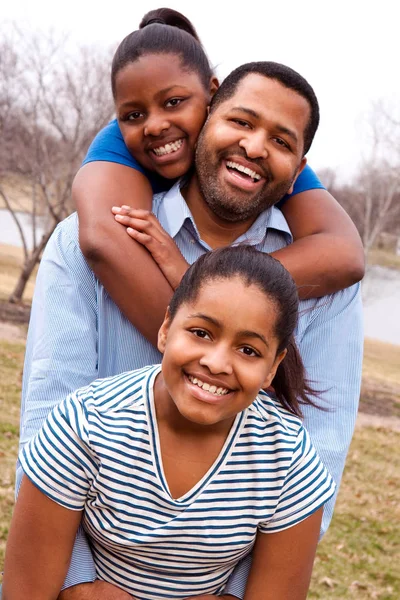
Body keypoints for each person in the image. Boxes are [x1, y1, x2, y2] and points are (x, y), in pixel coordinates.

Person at [17, 52, 363, 600]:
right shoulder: (88, 238)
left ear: (299, 170)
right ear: (205, 117)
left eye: (281, 140)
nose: (253, 147)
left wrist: (234, 594)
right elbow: (45, 430)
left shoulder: (328, 286)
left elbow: (316, 463)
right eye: (242, 121)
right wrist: (83, 585)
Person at [4, 246, 336, 600]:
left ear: (272, 367)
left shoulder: (289, 460)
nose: (217, 362)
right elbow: (26, 590)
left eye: (248, 350)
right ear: (166, 328)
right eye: (201, 332)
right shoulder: (87, 422)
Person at [73, 8, 365, 348]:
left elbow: (345, 252)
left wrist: (199, 278)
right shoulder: (122, 142)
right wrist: (202, 353)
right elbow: (102, 240)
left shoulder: (254, 153)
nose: (154, 125)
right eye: (134, 114)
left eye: (175, 101)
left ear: (212, 97)